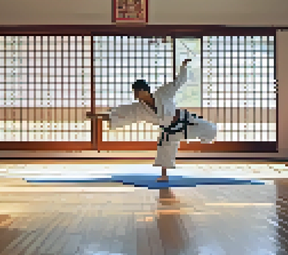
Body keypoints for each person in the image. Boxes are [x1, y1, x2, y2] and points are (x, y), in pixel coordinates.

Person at [88, 59, 218, 182]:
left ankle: (207, 138)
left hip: (184, 120)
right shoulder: (139, 108)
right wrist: (97, 116)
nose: (135, 96)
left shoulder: (163, 93)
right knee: (164, 150)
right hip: (169, 130)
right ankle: (164, 175)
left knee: (209, 128)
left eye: (136, 92)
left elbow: (178, 82)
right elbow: (119, 113)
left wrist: (183, 67)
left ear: (144, 90)